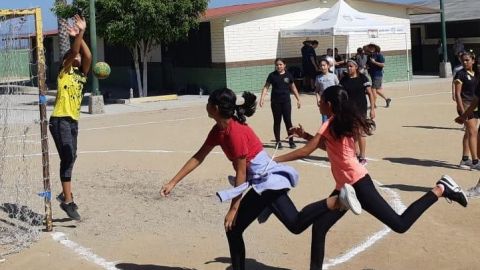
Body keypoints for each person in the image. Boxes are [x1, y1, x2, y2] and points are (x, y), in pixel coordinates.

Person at [160, 88, 361, 270]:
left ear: (214, 107)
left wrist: (233, 209)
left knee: (234, 227)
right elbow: (199, 156)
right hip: (263, 181)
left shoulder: (234, 133)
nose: (205, 106)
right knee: (296, 224)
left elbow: (241, 174)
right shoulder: (219, 130)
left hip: (267, 182)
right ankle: (335, 201)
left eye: (208, 103)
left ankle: (337, 200)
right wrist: (173, 182)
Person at [275, 85, 468, 269]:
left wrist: (275, 160)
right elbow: (328, 147)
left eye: (322, 101)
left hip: (358, 185)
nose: (319, 103)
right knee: (320, 227)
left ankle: (441, 189)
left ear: (330, 105)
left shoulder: (330, 123)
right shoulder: (339, 122)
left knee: (400, 225)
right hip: (345, 188)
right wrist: (306, 135)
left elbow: (305, 152)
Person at [49, 15, 91, 221]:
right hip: (59, 119)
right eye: (76, 56)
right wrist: (79, 33)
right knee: (67, 155)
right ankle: (67, 200)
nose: (79, 57)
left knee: (71, 156)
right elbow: (75, 51)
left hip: (72, 120)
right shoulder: (64, 72)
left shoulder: (82, 75)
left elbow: (88, 56)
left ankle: (65, 195)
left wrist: (80, 37)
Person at [260, 58, 302, 149]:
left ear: (284, 65)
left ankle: (291, 141)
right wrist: (262, 98)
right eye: (277, 65)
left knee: (288, 121)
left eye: (280, 64)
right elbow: (266, 87)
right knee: (277, 121)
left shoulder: (288, 75)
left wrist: (298, 99)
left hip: (286, 101)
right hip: (275, 102)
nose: (279, 66)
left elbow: (293, 87)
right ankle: (278, 142)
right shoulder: (272, 75)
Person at [340, 60, 375, 165]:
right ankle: (356, 154)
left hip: (361, 109)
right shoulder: (344, 80)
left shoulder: (363, 78)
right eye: (347, 67)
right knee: (353, 133)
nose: (349, 68)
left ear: (356, 67)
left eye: (351, 66)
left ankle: (363, 156)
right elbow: (340, 94)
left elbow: (370, 93)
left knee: (361, 132)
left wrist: (372, 109)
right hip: (348, 109)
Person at [452, 51, 480, 170]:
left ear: (473, 61)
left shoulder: (477, 73)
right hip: (465, 105)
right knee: (473, 132)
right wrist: (462, 110)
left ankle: (464, 160)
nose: (465, 62)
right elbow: (458, 94)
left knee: (469, 133)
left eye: (467, 60)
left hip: (475, 105)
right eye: (463, 60)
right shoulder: (460, 74)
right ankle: (475, 161)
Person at [366, 44, 391, 108]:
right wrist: (366, 67)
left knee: (373, 89)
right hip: (372, 75)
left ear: (375, 48)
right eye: (370, 47)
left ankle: (373, 104)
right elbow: (367, 65)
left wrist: (374, 62)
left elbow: (382, 65)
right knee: (377, 90)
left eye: (372, 47)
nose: (371, 48)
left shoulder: (379, 55)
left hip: (378, 75)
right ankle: (387, 99)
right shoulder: (369, 56)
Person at [315, 58, 339, 123]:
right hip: (324, 102)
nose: (322, 67)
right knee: (325, 121)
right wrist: (318, 100)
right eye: (321, 66)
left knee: (335, 120)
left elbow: (338, 88)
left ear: (328, 66)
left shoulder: (333, 76)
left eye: (324, 65)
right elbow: (317, 91)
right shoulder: (318, 78)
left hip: (334, 101)